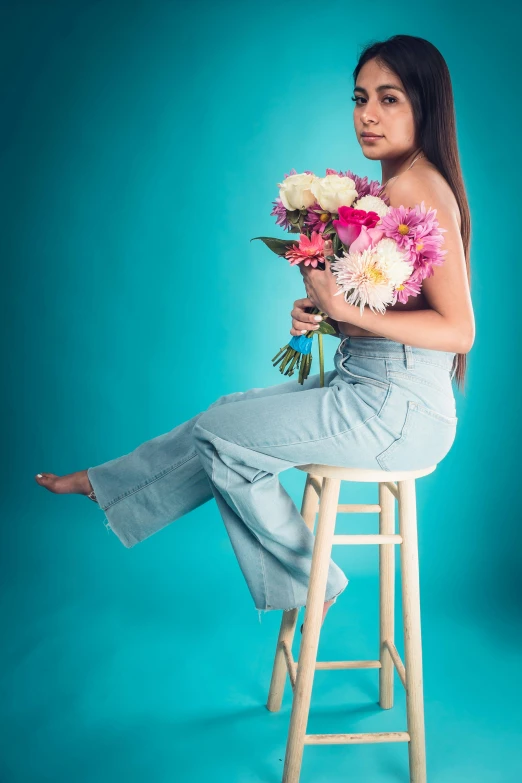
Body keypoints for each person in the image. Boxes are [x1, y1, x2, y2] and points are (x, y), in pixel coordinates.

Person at [34, 34, 475, 626]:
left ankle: (310, 580)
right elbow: (391, 310)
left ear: (427, 106)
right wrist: (324, 313)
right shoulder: (395, 186)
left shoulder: (415, 186)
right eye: (359, 97)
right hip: (370, 389)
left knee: (222, 432)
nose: (367, 115)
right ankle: (112, 486)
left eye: (390, 99)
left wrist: (348, 314)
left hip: (395, 409)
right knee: (228, 416)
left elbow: (458, 330)